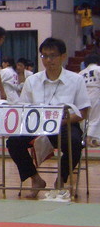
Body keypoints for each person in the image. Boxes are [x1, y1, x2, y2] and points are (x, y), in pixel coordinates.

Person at [6, 38, 90, 202]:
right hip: (37, 126)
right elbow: (24, 108)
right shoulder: (32, 80)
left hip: (65, 125)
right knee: (13, 142)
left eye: (52, 56)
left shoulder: (76, 79)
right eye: (44, 56)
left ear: (63, 56)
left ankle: (61, 179)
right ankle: (35, 178)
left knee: (74, 143)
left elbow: (83, 112)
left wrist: (61, 121)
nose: (48, 60)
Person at [79, 53, 100, 146]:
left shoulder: (81, 73)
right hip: (95, 94)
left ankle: (90, 138)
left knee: (85, 119)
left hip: (83, 96)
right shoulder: (99, 69)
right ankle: (90, 138)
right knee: (95, 118)